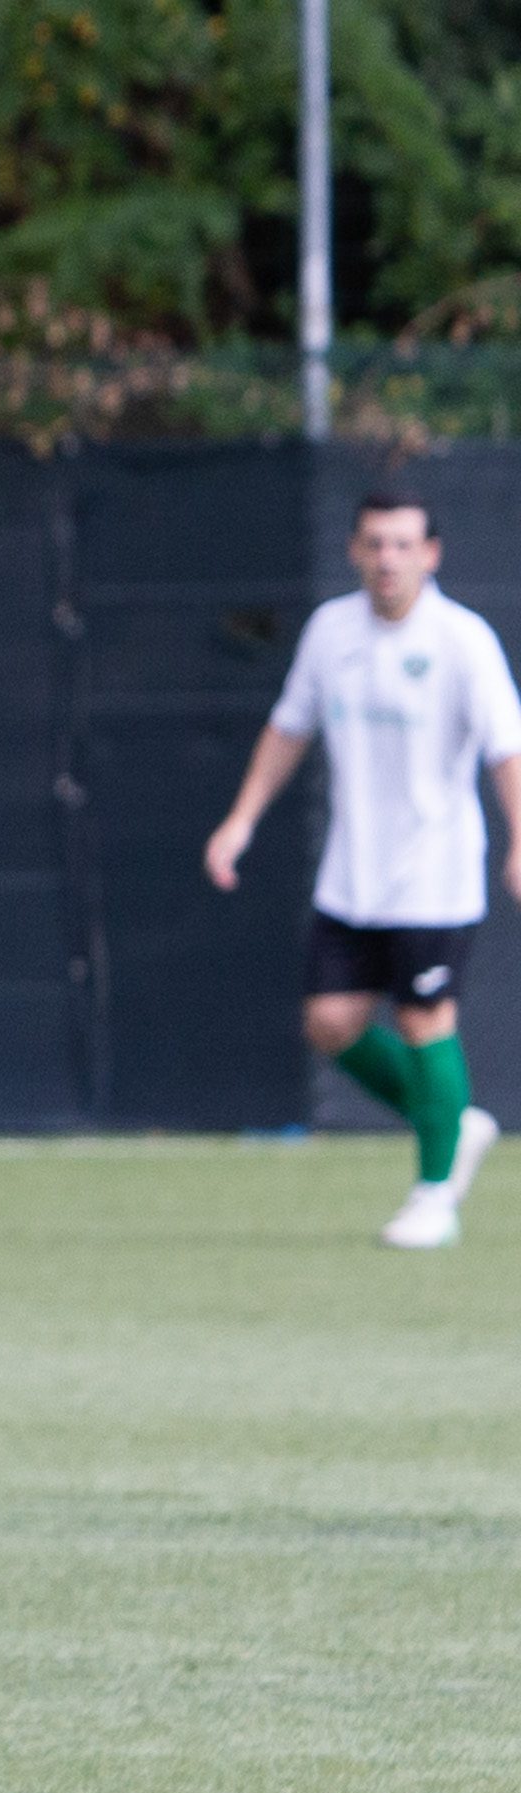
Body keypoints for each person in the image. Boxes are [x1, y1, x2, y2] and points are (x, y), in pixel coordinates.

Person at [203, 486, 521, 1247]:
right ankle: (449, 1122)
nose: (388, 558)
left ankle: (434, 1194)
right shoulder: (330, 632)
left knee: (422, 1022)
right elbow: (289, 728)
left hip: (435, 878)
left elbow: (506, 747)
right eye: (374, 543)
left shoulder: (461, 640)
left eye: (403, 544)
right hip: (353, 877)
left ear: (431, 554)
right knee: (331, 1022)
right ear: (354, 551)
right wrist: (241, 819)